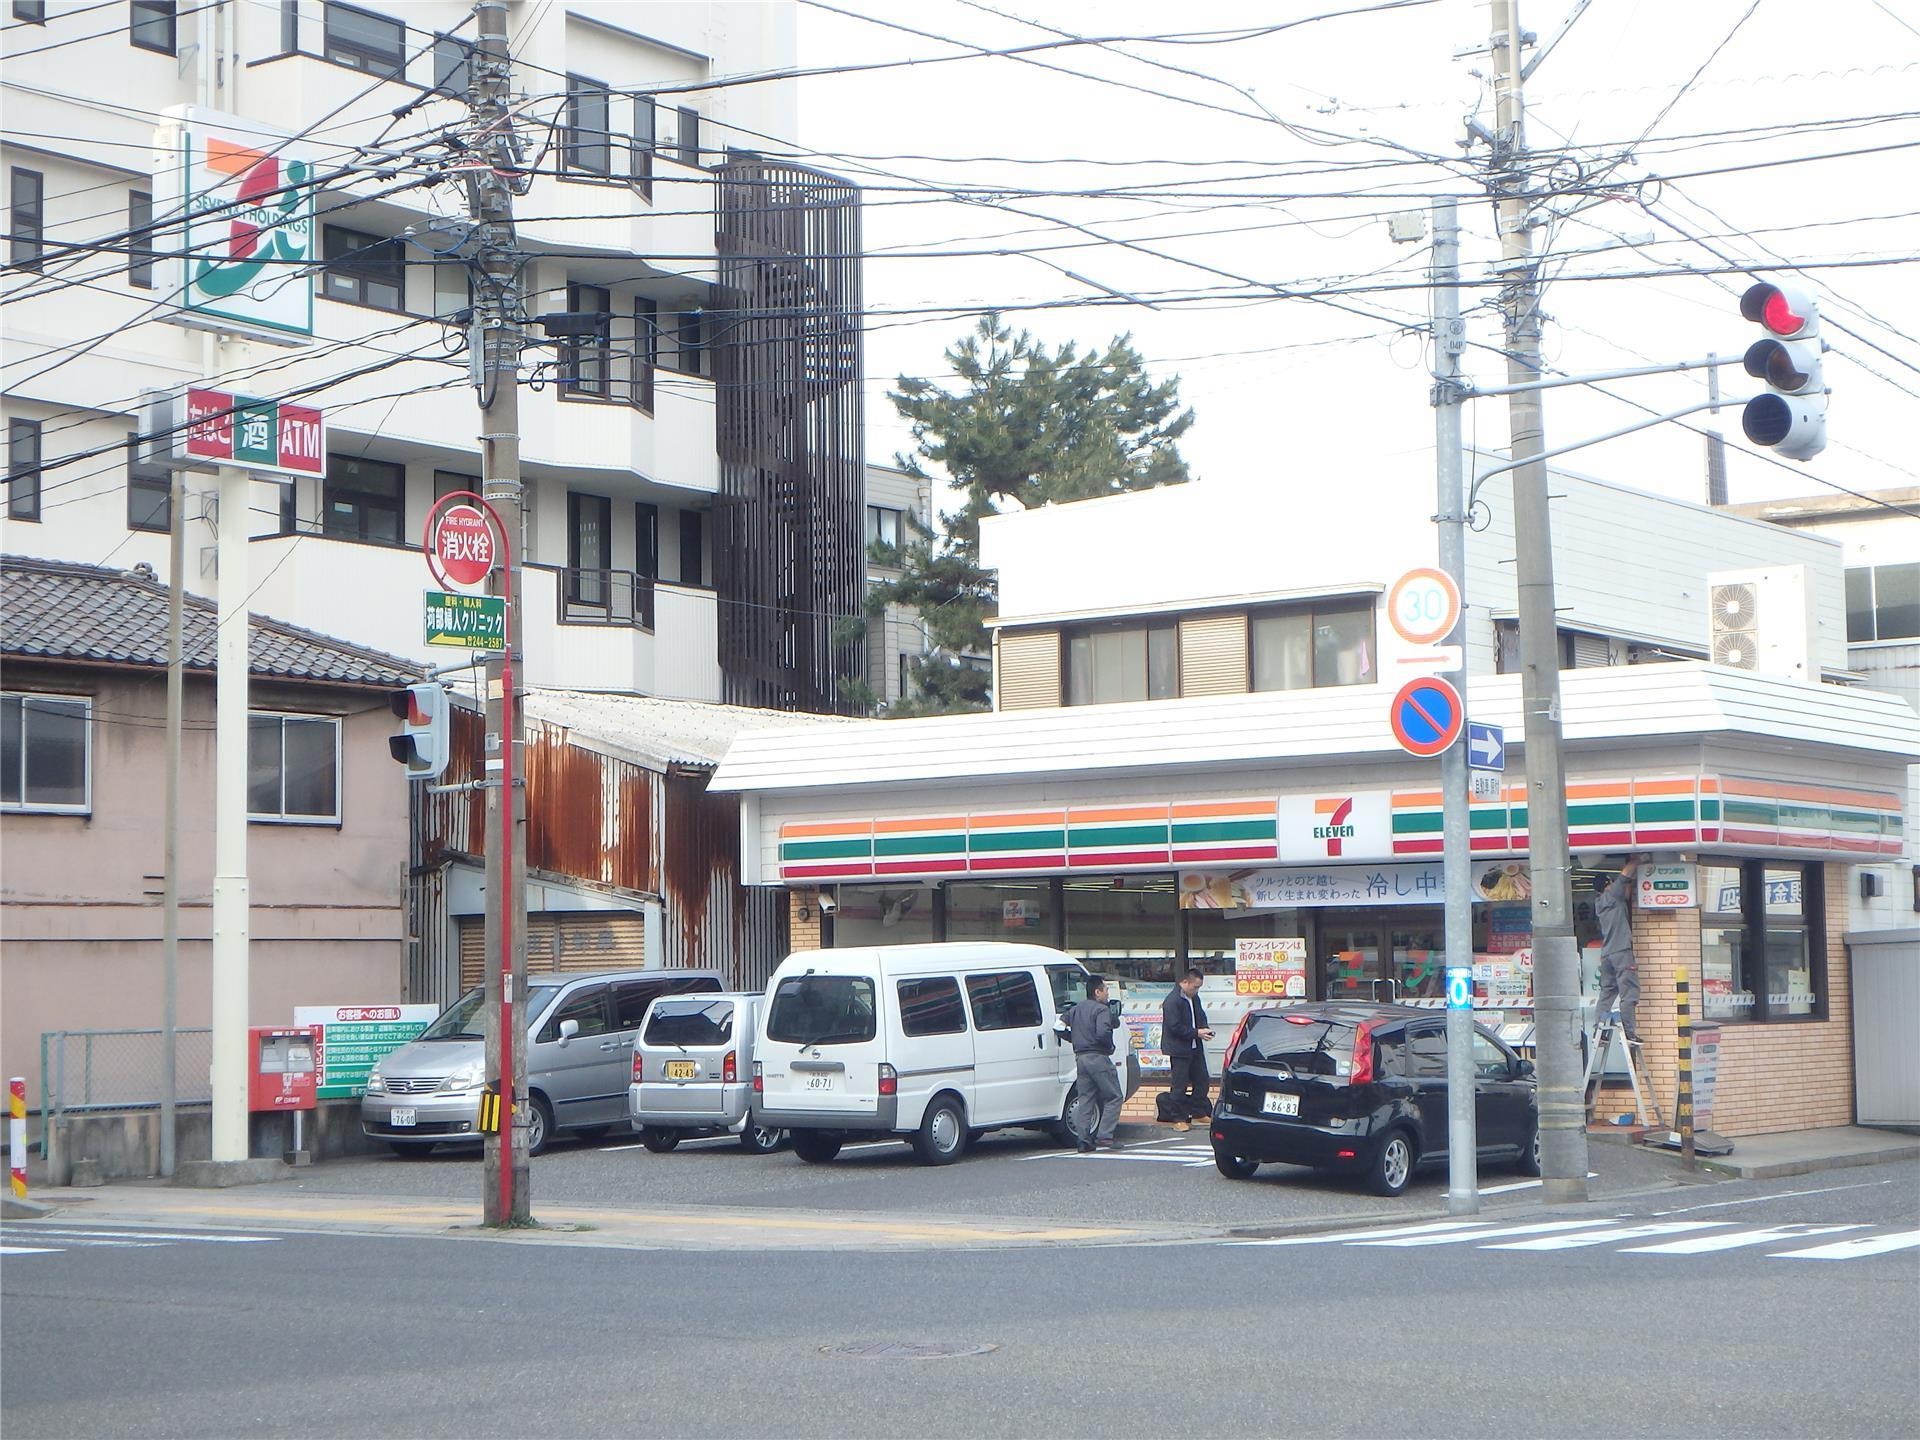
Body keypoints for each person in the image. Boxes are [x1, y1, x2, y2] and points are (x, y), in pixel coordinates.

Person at [1064, 977, 1122, 1153]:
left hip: (1080, 1058)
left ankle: (1083, 1140)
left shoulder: (1075, 1009)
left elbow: (1058, 1026)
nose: (1107, 994)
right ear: (1097, 992)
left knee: (1086, 1099)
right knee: (1114, 1096)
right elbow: (1103, 1032)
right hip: (1098, 1057)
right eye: (1106, 990)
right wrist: (1109, 1047)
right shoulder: (1101, 1009)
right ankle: (1105, 1136)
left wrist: (1073, 1038)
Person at [1593, 856, 1642, 1042]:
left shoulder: (1600, 904)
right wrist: (1639, 859)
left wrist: (1629, 881)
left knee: (1607, 992)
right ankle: (1630, 1033)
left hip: (1607, 956)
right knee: (1629, 993)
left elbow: (1626, 893)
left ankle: (1599, 1031)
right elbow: (1625, 874)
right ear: (1607, 885)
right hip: (1621, 951)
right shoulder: (1612, 895)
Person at [1160, 968, 1214, 1129]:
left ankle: (1198, 1113)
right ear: (1184, 982)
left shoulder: (1194, 998)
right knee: (1180, 1084)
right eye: (1194, 987)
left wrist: (1204, 1029)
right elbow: (1174, 1027)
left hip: (1195, 1046)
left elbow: (1200, 1016)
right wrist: (1196, 1032)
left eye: (1198, 987)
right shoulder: (1172, 1000)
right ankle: (1178, 1118)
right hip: (1179, 1049)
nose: (1196, 990)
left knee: (1202, 1080)